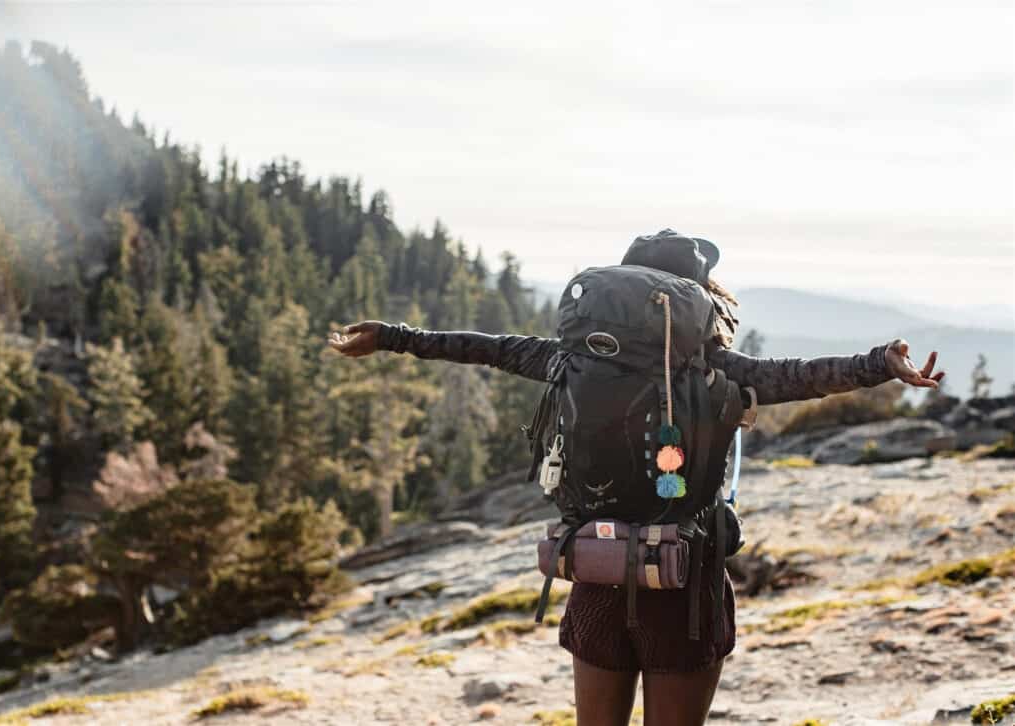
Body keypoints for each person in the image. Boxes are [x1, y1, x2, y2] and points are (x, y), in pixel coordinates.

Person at [327, 231, 944, 726]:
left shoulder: (567, 359)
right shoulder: (719, 370)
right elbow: (802, 375)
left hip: (595, 570)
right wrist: (881, 366)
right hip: (684, 586)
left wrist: (392, 337)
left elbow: (483, 347)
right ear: (694, 299)